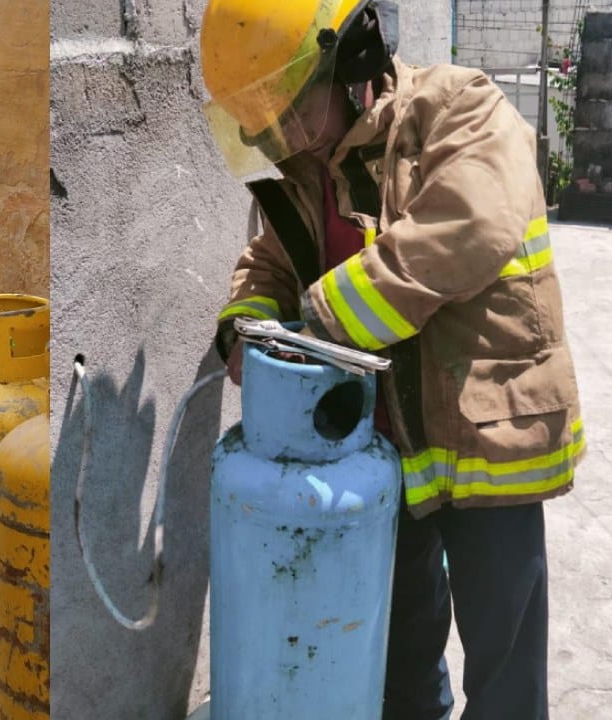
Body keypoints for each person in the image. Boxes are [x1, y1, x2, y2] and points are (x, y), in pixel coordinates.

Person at [198, 1, 584, 718]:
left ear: (353, 64)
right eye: (260, 120)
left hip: (489, 444)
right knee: (399, 658)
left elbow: (467, 228)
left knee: (504, 674)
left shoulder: (460, 111)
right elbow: (268, 264)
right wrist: (245, 333)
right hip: (390, 457)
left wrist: (317, 320)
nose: (276, 136)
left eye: (289, 111)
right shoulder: (302, 172)